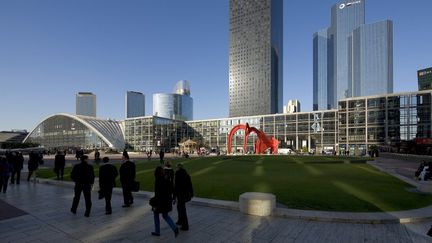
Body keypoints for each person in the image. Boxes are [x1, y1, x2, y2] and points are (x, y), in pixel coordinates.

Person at [151, 166, 179, 237]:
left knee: (156, 215)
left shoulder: (157, 180)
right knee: (165, 216)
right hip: (166, 201)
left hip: (159, 202)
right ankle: (174, 228)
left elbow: (157, 193)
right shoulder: (167, 179)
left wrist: (154, 203)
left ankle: (157, 231)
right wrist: (173, 198)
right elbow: (173, 189)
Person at [173, 163, 193, 231]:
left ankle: (185, 226)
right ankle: (180, 221)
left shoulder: (177, 175)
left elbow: (176, 186)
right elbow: (190, 185)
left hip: (180, 194)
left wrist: (174, 196)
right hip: (185, 194)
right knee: (180, 207)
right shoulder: (187, 175)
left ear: (178, 168)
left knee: (182, 209)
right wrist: (191, 194)